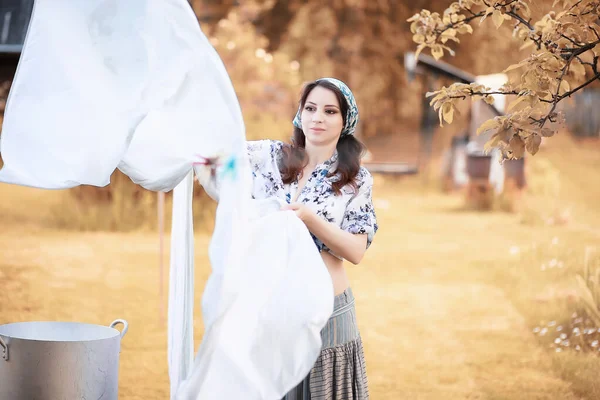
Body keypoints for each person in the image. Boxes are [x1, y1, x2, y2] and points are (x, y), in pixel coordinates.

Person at [199, 77, 377, 400]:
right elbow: (213, 159)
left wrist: (310, 219)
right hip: (275, 304)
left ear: (345, 119)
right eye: (310, 108)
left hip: (329, 311)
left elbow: (355, 250)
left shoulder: (355, 179)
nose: (317, 118)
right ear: (300, 114)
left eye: (329, 111)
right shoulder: (269, 157)